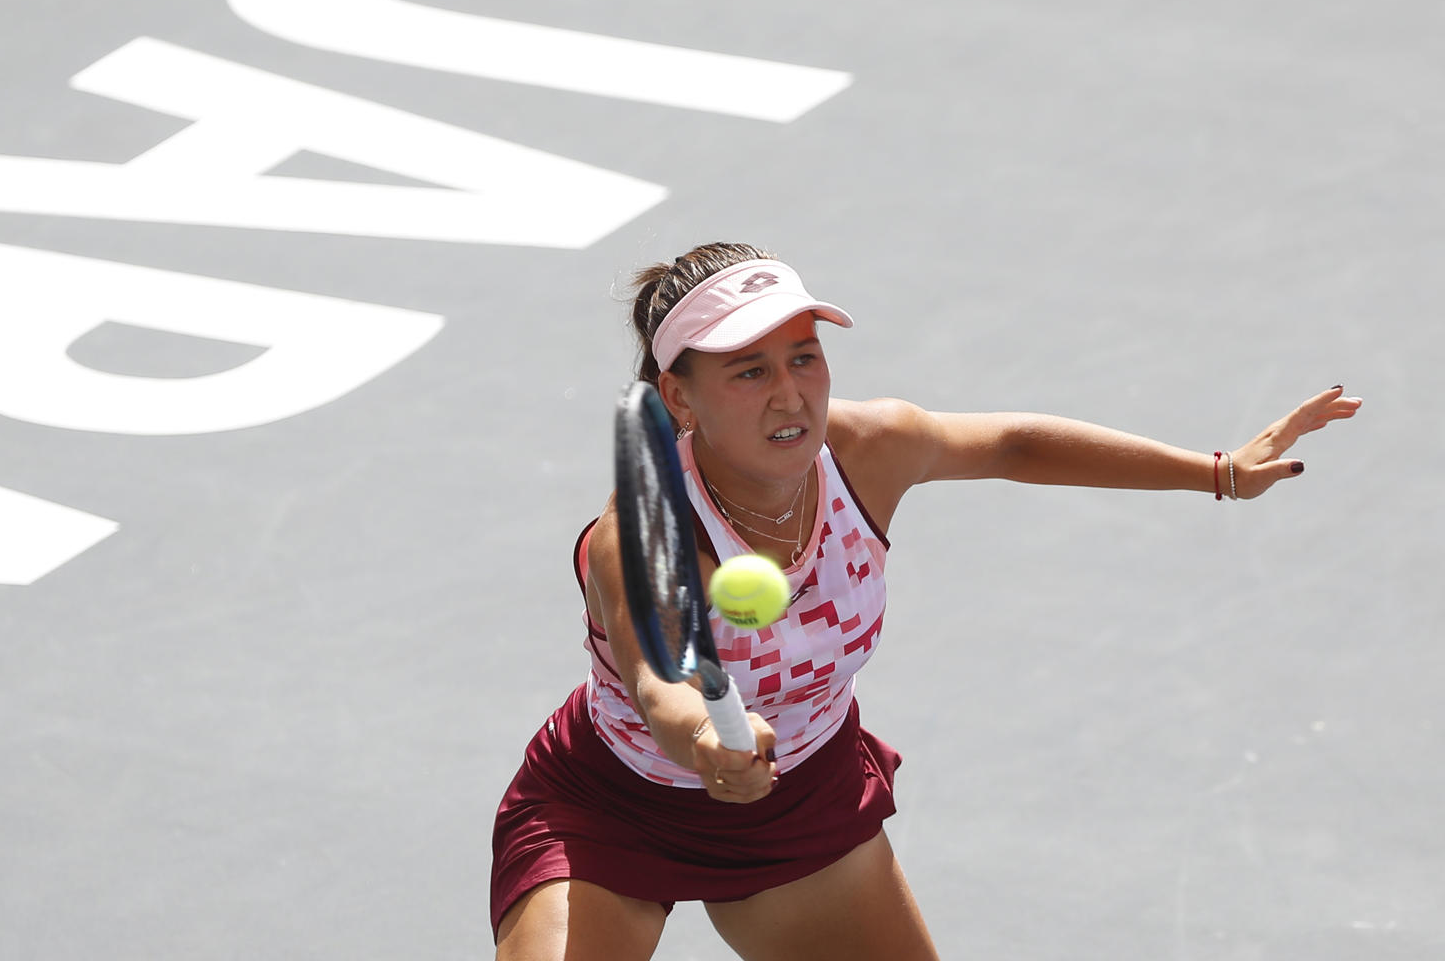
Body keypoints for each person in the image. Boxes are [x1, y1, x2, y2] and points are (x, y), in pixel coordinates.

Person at [490, 242, 1360, 961]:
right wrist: (704, 742)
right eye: (748, 372)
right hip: (614, 810)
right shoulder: (639, 532)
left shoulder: (869, 449)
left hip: (804, 801)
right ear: (678, 396)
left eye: (804, 357)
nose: (792, 392)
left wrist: (1218, 474)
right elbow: (658, 683)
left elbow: (1015, 444)